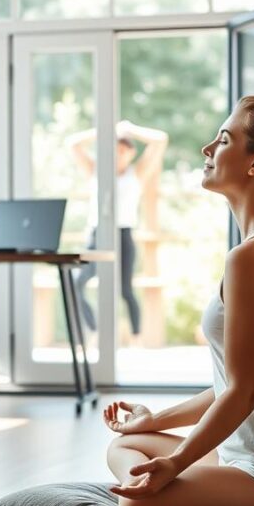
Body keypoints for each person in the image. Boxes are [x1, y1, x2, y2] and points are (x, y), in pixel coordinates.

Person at [102, 95, 254, 506]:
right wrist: (156, 421)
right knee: (129, 443)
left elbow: (243, 393)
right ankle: (191, 479)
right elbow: (241, 383)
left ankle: (190, 488)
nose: (207, 149)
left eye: (224, 139)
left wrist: (175, 464)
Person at [67, 120, 169, 341]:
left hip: (123, 234)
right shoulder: (96, 171)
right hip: (97, 234)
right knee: (76, 283)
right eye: (115, 149)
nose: (119, 154)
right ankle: (94, 330)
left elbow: (160, 140)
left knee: (125, 290)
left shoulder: (138, 173)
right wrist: (105, 129)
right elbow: (72, 144)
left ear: (131, 153)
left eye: (123, 150)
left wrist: (130, 129)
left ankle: (136, 338)